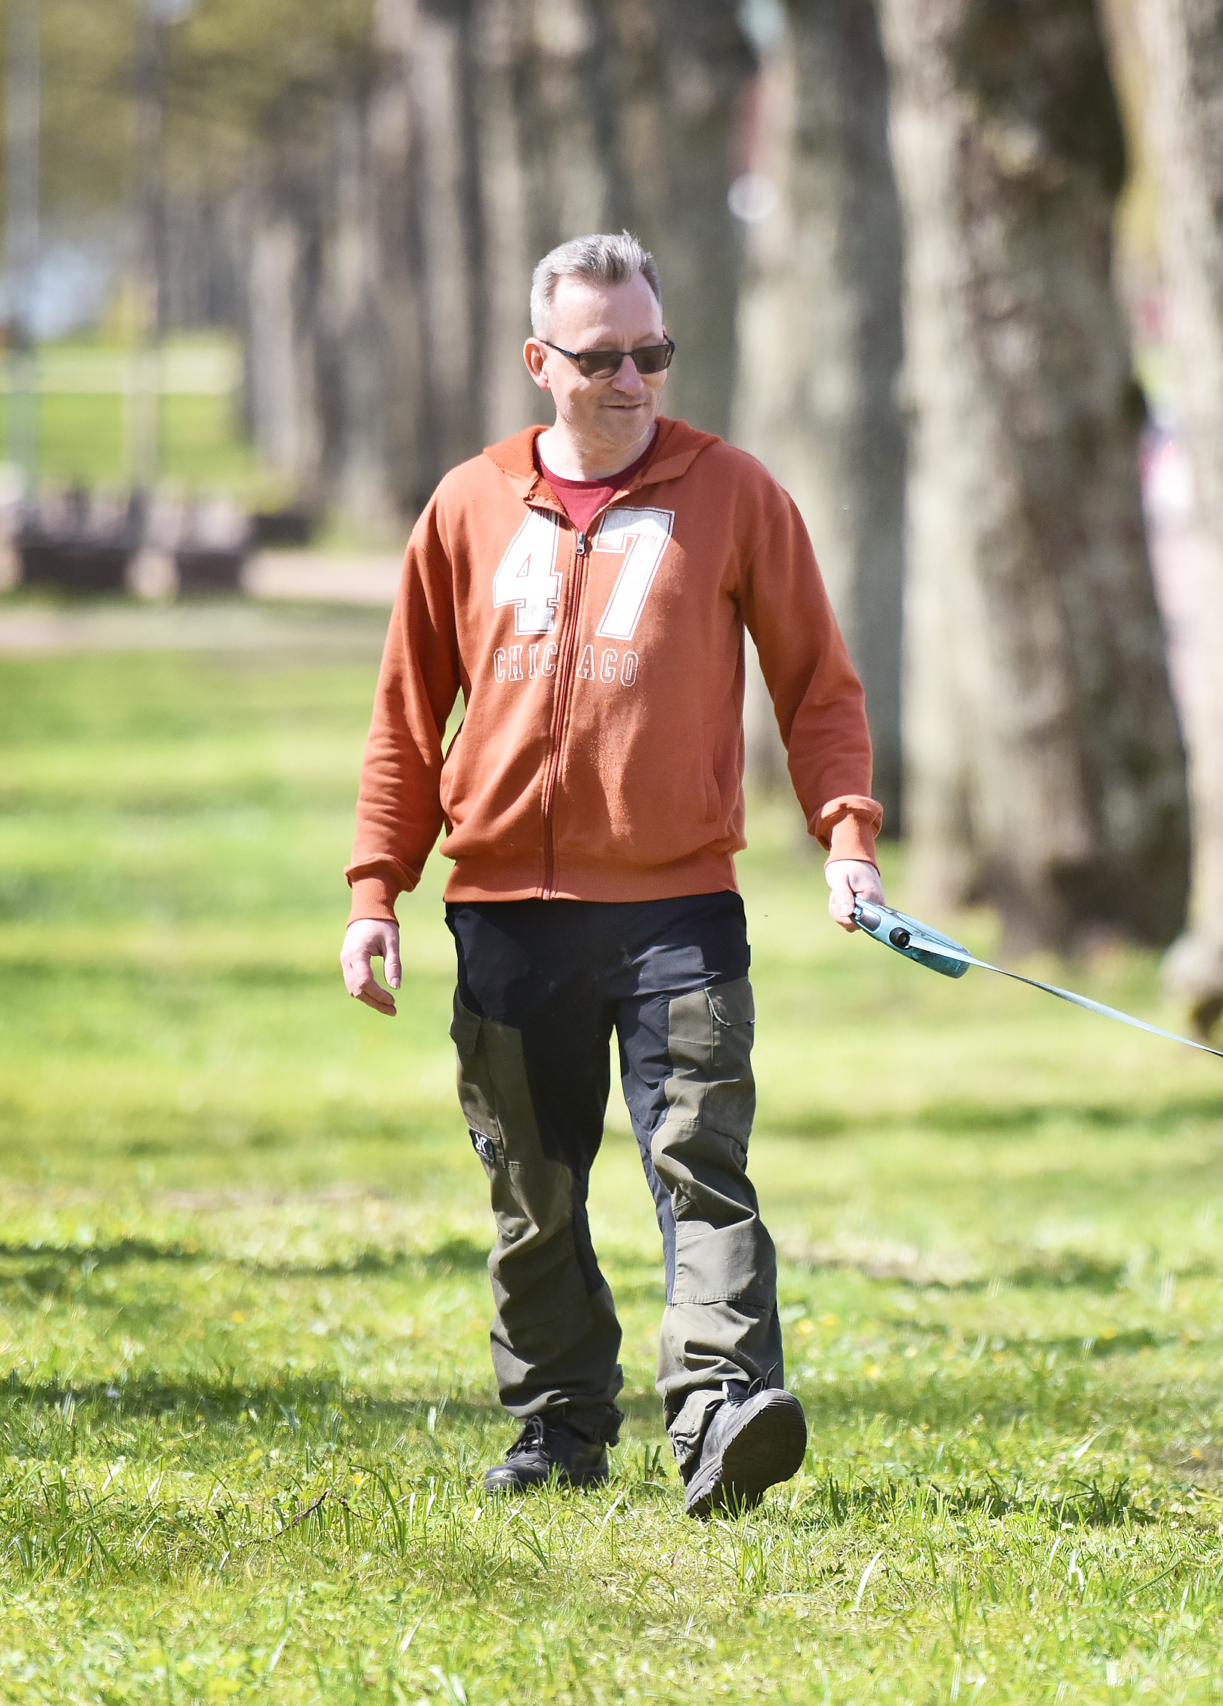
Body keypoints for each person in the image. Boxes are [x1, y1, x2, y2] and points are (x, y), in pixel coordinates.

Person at [338, 232, 886, 1517]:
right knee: (534, 1187)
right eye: (601, 357)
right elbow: (407, 713)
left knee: (702, 1160)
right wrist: (376, 891)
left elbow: (820, 686)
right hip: (509, 913)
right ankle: (558, 1425)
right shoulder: (467, 504)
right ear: (542, 363)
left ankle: (722, 1412)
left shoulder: (735, 493)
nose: (633, 377)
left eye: (653, 351)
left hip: (679, 905)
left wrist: (846, 840)